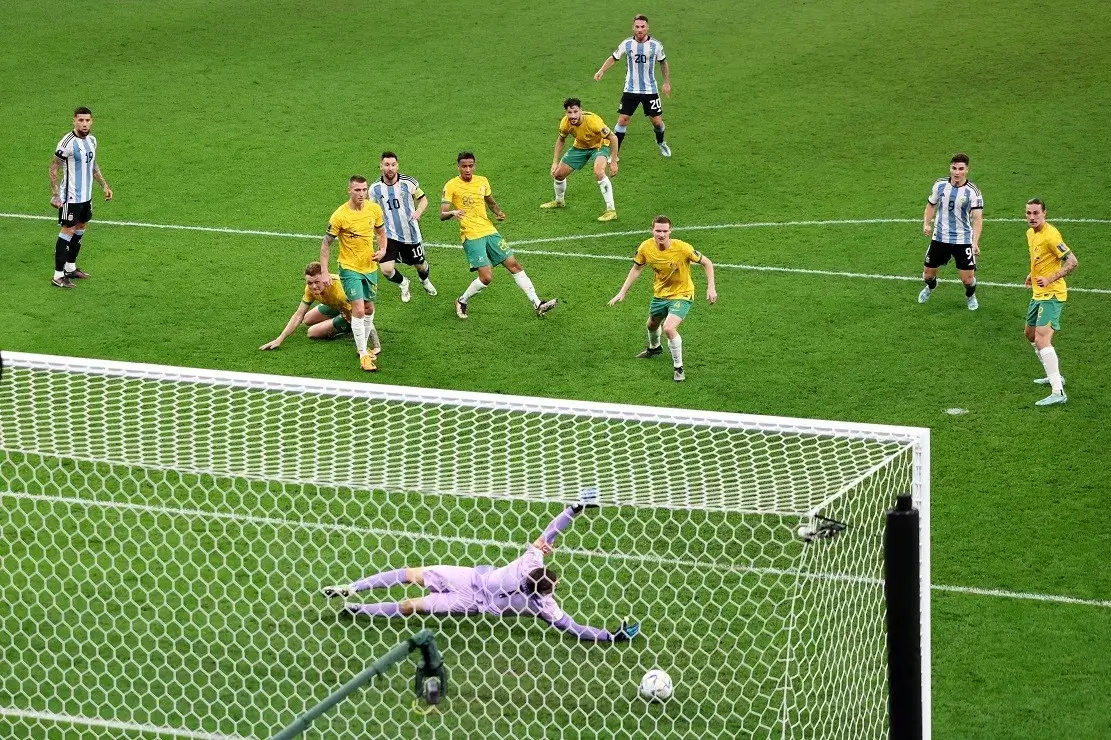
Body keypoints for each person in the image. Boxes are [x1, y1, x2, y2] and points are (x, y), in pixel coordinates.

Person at [323, 490, 641, 643]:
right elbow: (573, 628)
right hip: (469, 603)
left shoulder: (529, 562)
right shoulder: (543, 606)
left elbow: (551, 531)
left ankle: (353, 589)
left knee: (410, 575)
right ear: (549, 589)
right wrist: (610, 636)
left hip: (469, 579)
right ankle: (358, 608)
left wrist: (574, 508)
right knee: (412, 606)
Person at [441, 152, 558, 319]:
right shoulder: (451, 185)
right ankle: (461, 300)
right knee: (486, 277)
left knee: (514, 265)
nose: (468, 169)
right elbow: (442, 214)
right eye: (464, 166)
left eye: (470, 166)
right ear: (458, 167)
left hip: (489, 231)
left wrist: (498, 212)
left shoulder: (482, 181)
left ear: (475, 165)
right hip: (471, 235)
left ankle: (537, 303)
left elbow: (489, 200)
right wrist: (452, 212)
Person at [609, 215, 717, 382]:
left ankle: (678, 368)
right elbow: (637, 268)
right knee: (651, 324)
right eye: (658, 230)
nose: (661, 234)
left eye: (665, 231)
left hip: (682, 294)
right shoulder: (646, 247)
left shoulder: (682, 248)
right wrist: (623, 291)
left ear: (670, 231)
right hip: (660, 294)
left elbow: (707, 263)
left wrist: (711, 287)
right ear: (652, 230)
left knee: (668, 328)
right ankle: (654, 348)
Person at [320, 175, 387, 371]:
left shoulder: (373, 209)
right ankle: (364, 356)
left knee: (369, 309)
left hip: (369, 266)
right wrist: (325, 271)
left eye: (364, 190)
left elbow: (382, 233)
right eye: (357, 190)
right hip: (349, 268)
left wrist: (382, 250)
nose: (361, 194)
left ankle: (362, 347)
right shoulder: (340, 215)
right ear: (349, 190)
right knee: (358, 309)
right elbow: (326, 244)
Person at [49, 106, 113, 288]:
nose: (84, 124)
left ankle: (70, 267)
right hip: (70, 197)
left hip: (86, 196)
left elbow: (93, 165)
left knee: (81, 227)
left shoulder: (92, 141)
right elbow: (54, 168)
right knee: (68, 230)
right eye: (81, 120)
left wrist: (104, 185)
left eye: (87, 120)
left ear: (91, 121)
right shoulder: (66, 143)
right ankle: (58, 275)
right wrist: (55, 194)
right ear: (74, 121)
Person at [1023, 199, 1078, 406]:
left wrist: (1049, 279)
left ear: (1044, 213)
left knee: (1042, 339)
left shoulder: (1051, 235)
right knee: (1029, 334)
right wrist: (1032, 274)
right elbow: (1042, 259)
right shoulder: (1031, 234)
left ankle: (1058, 392)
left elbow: (1072, 262)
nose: (1032, 217)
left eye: (1036, 213)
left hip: (1053, 294)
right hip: (1038, 293)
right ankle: (1053, 373)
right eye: (1028, 213)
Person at [259, 261, 381, 354]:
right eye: (309, 283)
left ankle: (347, 327)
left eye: (317, 282)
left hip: (350, 313)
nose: (313, 287)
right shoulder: (310, 290)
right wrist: (279, 339)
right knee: (307, 319)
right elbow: (298, 315)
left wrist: (376, 345)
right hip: (338, 306)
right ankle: (339, 315)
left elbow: (365, 311)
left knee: (312, 332)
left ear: (324, 278)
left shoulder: (341, 291)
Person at [593, 14, 672, 157]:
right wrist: (601, 70)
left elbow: (663, 62)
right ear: (633, 27)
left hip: (650, 90)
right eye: (637, 27)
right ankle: (614, 154)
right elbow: (614, 57)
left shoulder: (656, 45)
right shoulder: (627, 44)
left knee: (658, 124)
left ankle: (661, 142)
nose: (640, 30)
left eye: (642, 27)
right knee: (622, 120)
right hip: (630, 89)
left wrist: (666, 82)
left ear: (647, 28)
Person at [368, 152, 437, 302]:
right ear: (381, 166)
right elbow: (372, 211)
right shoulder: (375, 189)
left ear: (397, 166)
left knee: (421, 266)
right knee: (386, 270)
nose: (390, 168)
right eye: (386, 165)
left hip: (411, 234)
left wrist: (418, 212)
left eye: (393, 165)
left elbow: (423, 200)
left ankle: (424, 281)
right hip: (389, 235)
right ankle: (403, 283)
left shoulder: (408, 182)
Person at [919, 153, 983, 310]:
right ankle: (931, 287)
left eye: (961, 169)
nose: (957, 172)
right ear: (950, 168)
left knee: (968, 280)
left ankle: (971, 296)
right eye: (954, 168)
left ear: (967, 169)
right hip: (940, 238)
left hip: (962, 240)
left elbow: (977, 219)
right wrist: (926, 224)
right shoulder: (940, 185)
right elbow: (931, 205)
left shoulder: (973, 191)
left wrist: (974, 243)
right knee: (927, 275)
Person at [540, 98, 620, 222]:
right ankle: (559, 201)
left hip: (600, 145)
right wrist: (555, 162)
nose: (573, 116)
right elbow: (561, 140)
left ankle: (611, 210)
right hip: (581, 147)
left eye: (575, 112)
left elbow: (613, 138)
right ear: (566, 113)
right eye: (569, 113)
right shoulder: (565, 123)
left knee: (599, 172)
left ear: (580, 111)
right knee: (558, 174)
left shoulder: (594, 121)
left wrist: (613, 162)